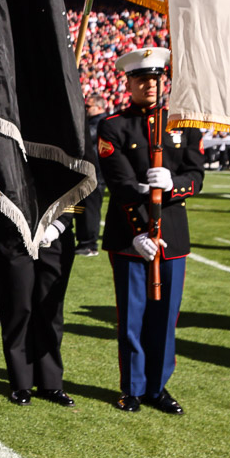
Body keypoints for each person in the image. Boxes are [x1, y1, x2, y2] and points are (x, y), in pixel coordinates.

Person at [96, 47, 204, 415]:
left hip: (172, 234)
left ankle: (158, 387)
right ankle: (132, 388)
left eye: (156, 78)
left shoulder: (183, 124)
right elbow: (121, 182)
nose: (150, 85)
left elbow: (197, 176)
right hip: (130, 235)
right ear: (128, 83)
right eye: (141, 79)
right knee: (132, 318)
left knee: (165, 319)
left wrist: (174, 185)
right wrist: (141, 230)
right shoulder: (114, 126)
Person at [0, 208, 77, 407]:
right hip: (13, 231)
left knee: (50, 311)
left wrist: (57, 226)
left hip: (55, 235)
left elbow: (77, 186)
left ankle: (51, 383)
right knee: (17, 308)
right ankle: (21, 382)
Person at [74, 99, 106, 256]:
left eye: (88, 106)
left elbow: (85, 137)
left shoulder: (101, 122)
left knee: (89, 210)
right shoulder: (94, 122)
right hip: (89, 173)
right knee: (82, 209)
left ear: (99, 107)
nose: (85, 108)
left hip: (95, 175)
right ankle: (84, 241)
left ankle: (89, 244)